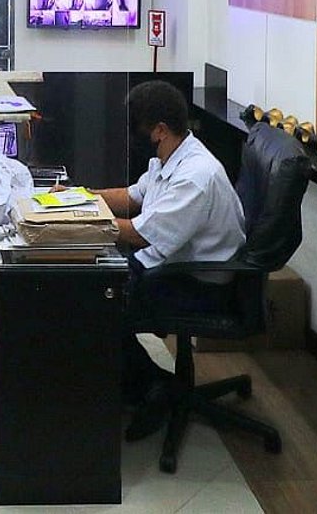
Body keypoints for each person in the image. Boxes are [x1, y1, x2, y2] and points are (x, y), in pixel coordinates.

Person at [95, 80, 245, 433]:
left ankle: (154, 387)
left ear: (160, 130)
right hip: (173, 266)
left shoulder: (194, 177)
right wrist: (80, 196)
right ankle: (146, 384)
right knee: (97, 287)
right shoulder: (172, 156)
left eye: (138, 128)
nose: (134, 136)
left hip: (199, 285)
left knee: (100, 302)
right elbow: (132, 197)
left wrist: (82, 222)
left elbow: (140, 233)